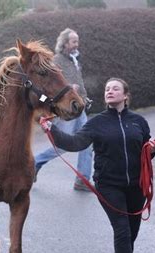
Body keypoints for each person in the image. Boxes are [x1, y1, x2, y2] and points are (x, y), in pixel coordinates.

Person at [41, 78, 154, 253]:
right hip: (109, 185)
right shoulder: (97, 123)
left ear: (125, 95)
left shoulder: (138, 122)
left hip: (136, 185)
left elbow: (145, 149)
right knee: (122, 230)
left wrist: (152, 149)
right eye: (107, 89)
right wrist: (51, 129)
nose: (110, 91)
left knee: (132, 231)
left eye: (115, 88)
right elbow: (74, 143)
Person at [33, 28, 93, 191]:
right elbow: (45, 91)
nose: (77, 44)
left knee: (87, 143)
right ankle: (35, 163)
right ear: (65, 43)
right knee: (63, 145)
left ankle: (82, 179)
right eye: (73, 41)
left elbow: (78, 85)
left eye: (77, 41)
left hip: (79, 108)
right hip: (65, 112)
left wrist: (83, 98)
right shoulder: (56, 62)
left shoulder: (74, 60)